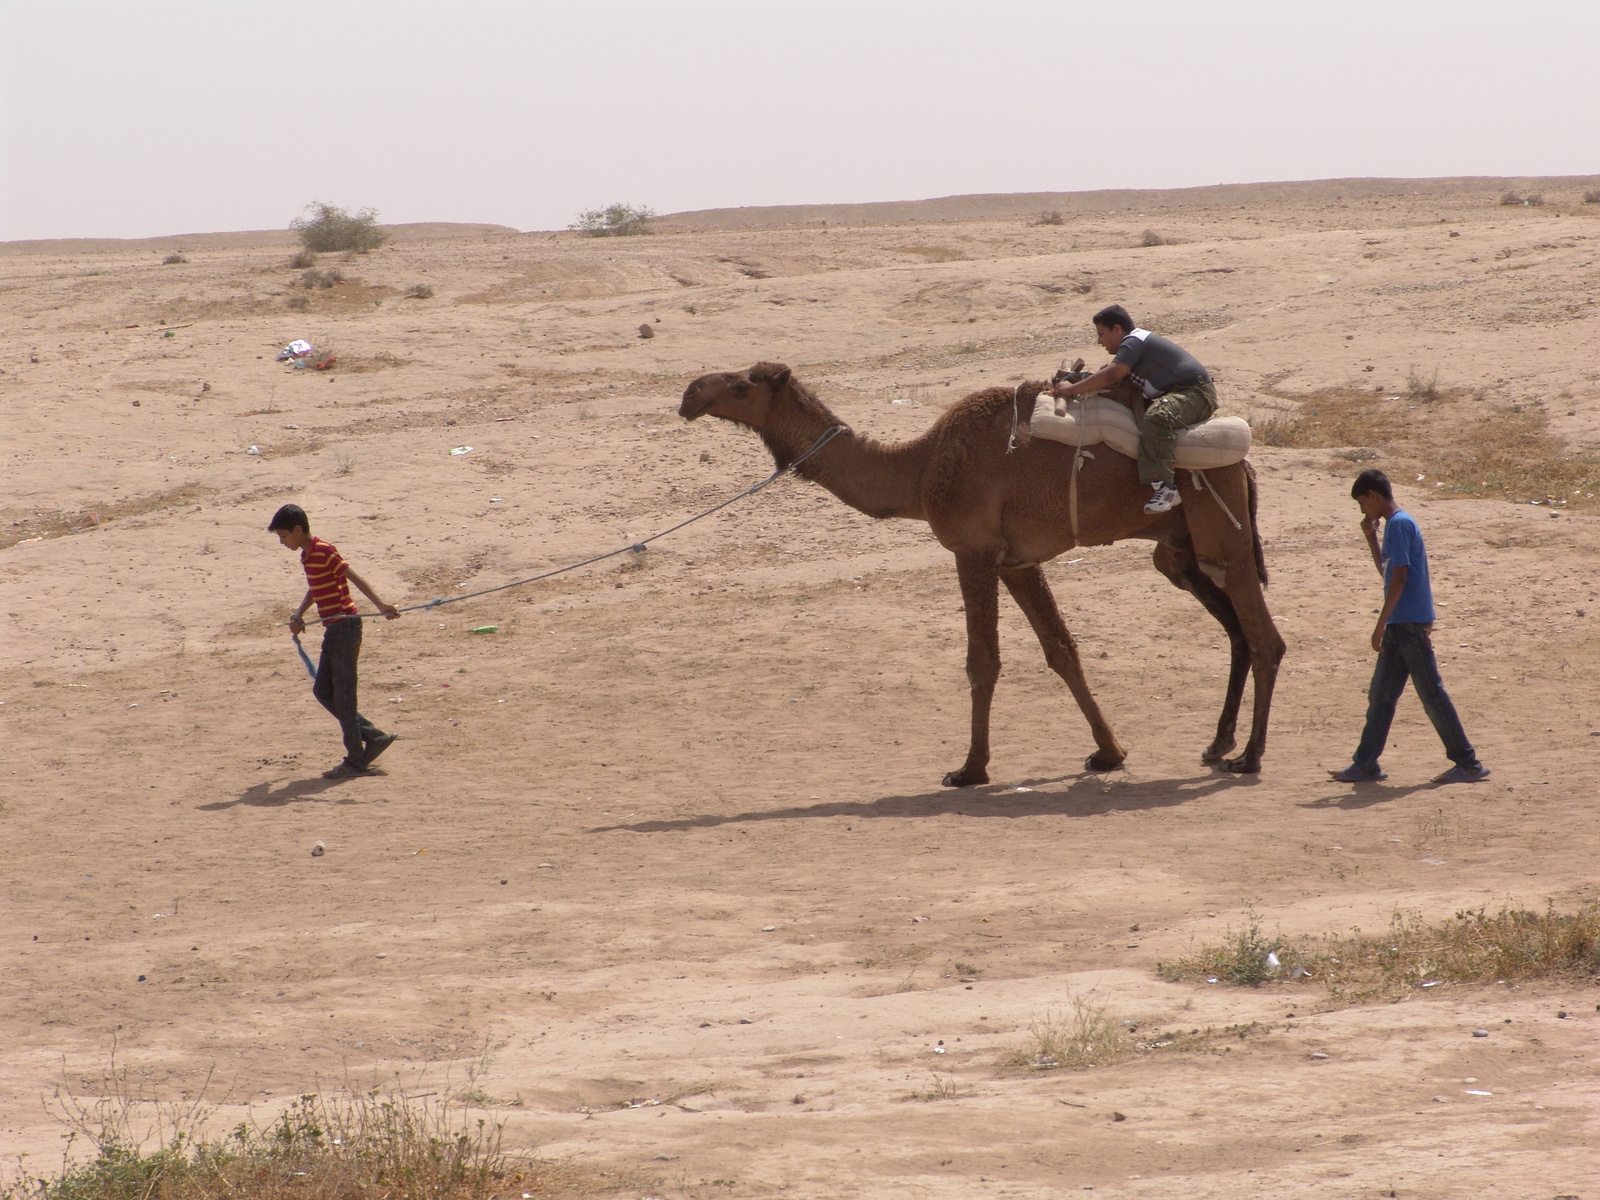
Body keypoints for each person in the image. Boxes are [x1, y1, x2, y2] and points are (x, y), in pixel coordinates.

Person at [1329, 470, 1490, 785]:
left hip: (1408, 625)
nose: (1363, 510)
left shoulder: (1400, 524)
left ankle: (1468, 763)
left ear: (1374, 496)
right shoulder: (1392, 527)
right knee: (1382, 695)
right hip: (1401, 625)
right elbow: (1388, 572)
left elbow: (1400, 579)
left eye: (1363, 503)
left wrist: (1379, 626)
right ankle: (1365, 764)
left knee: (1432, 696)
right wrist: (1370, 538)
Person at [268, 504, 401, 778]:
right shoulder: (307, 557)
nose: (282, 542)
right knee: (323, 692)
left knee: (344, 698)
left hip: (345, 628)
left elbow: (353, 577)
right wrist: (298, 614)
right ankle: (373, 738)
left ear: (298, 529)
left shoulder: (324, 550)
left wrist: (380, 604)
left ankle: (355, 761)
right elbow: (316, 588)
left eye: (283, 536)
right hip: (334, 629)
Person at [1049, 304, 1217, 514]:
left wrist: (1072, 389)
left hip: (1195, 394)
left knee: (1157, 417)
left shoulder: (1134, 341)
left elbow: (1112, 375)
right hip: (1183, 393)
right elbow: (1112, 379)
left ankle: (1165, 489)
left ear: (1117, 329)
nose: (1099, 341)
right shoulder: (1134, 349)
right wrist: (1075, 380)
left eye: (1102, 334)